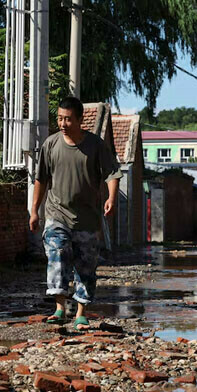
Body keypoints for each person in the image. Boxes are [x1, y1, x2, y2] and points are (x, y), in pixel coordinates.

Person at [29, 97, 122, 331]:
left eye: (68, 119)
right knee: (57, 255)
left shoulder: (95, 146)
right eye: (60, 118)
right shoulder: (50, 145)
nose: (62, 123)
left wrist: (111, 198)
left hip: (87, 219)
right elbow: (41, 179)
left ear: (80, 120)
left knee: (85, 266)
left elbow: (112, 173)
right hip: (56, 213)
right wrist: (34, 211)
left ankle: (81, 312)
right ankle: (60, 308)